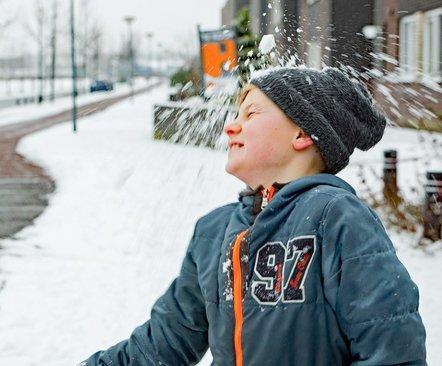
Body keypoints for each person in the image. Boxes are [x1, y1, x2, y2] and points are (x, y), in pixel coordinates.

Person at [81, 67, 427, 365]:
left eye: (251, 115)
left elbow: (393, 345)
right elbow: (162, 345)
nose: (231, 127)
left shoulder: (335, 218)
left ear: (303, 133)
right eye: (236, 115)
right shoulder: (214, 232)